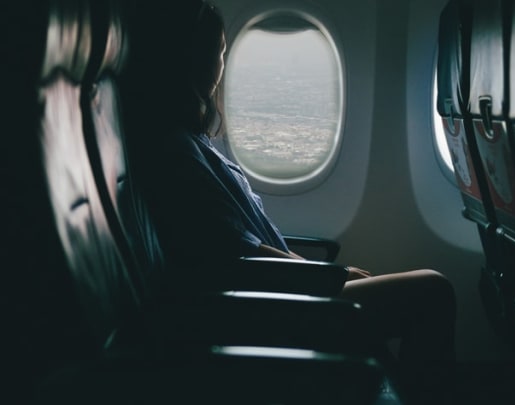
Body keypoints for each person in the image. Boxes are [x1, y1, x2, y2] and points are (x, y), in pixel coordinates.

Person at [119, 1, 456, 403]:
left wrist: (327, 275)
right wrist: (331, 275)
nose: (222, 65)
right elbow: (233, 252)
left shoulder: (187, 142)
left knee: (409, 300)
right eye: (220, 51)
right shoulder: (173, 150)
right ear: (192, 58)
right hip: (260, 308)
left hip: (275, 290)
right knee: (433, 292)